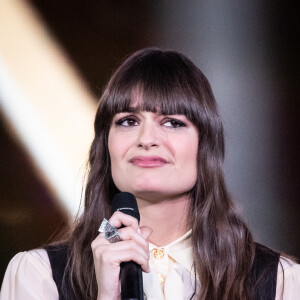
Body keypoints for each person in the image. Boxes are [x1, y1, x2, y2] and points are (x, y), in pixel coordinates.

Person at [1, 48, 299, 300]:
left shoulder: (280, 282)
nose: (146, 139)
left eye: (171, 122)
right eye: (128, 121)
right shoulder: (39, 277)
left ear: (205, 145)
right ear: (105, 145)